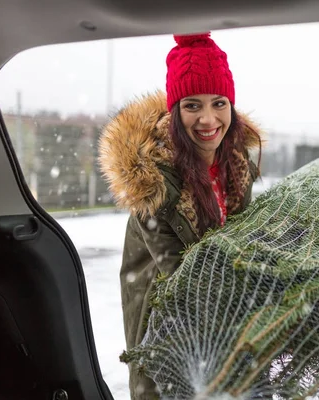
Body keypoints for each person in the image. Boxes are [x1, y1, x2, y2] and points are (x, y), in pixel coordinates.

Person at [98, 32, 263, 400]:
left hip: (218, 328)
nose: (208, 119)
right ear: (175, 110)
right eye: (192, 105)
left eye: (219, 103)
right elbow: (187, 279)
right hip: (164, 329)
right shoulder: (155, 183)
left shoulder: (234, 167)